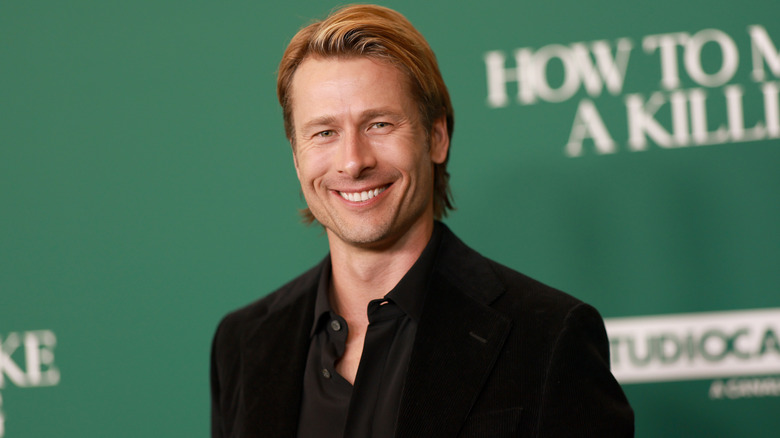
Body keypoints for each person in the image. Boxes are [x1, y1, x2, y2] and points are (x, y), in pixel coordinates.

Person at [210, 4, 634, 437]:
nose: (353, 161)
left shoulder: (548, 337)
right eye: (324, 132)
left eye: (379, 123)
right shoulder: (244, 343)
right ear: (296, 157)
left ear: (436, 137)